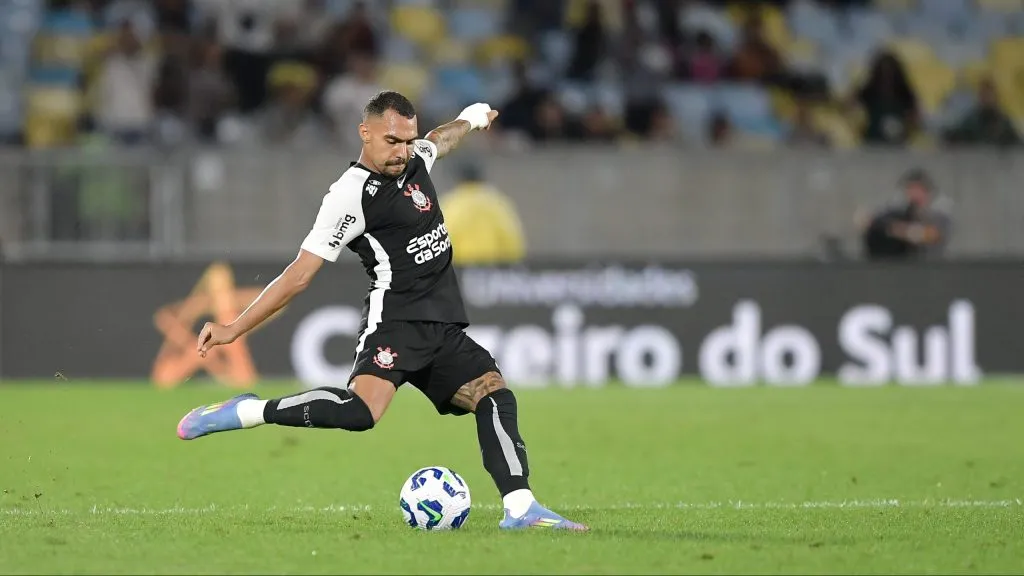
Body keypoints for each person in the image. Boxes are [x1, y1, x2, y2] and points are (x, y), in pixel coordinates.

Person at [175, 91, 587, 531]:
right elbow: (299, 275)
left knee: (494, 396)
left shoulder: (414, 160)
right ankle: (248, 411)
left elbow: (440, 140)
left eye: (407, 141)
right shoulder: (348, 196)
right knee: (360, 413)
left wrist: (471, 119)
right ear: (365, 133)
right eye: (392, 141)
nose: (402, 151)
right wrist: (234, 328)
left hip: (441, 324)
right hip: (395, 321)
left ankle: (521, 509)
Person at [440, 163, 526, 266]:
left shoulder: (451, 204)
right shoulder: (498, 203)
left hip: (460, 269)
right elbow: (513, 242)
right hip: (494, 270)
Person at [858, 168, 952, 260]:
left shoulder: (938, 216)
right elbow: (874, 221)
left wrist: (901, 230)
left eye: (919, 190)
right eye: (911, 189)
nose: (915, 194)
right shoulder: (901, 213)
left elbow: (931, 235)